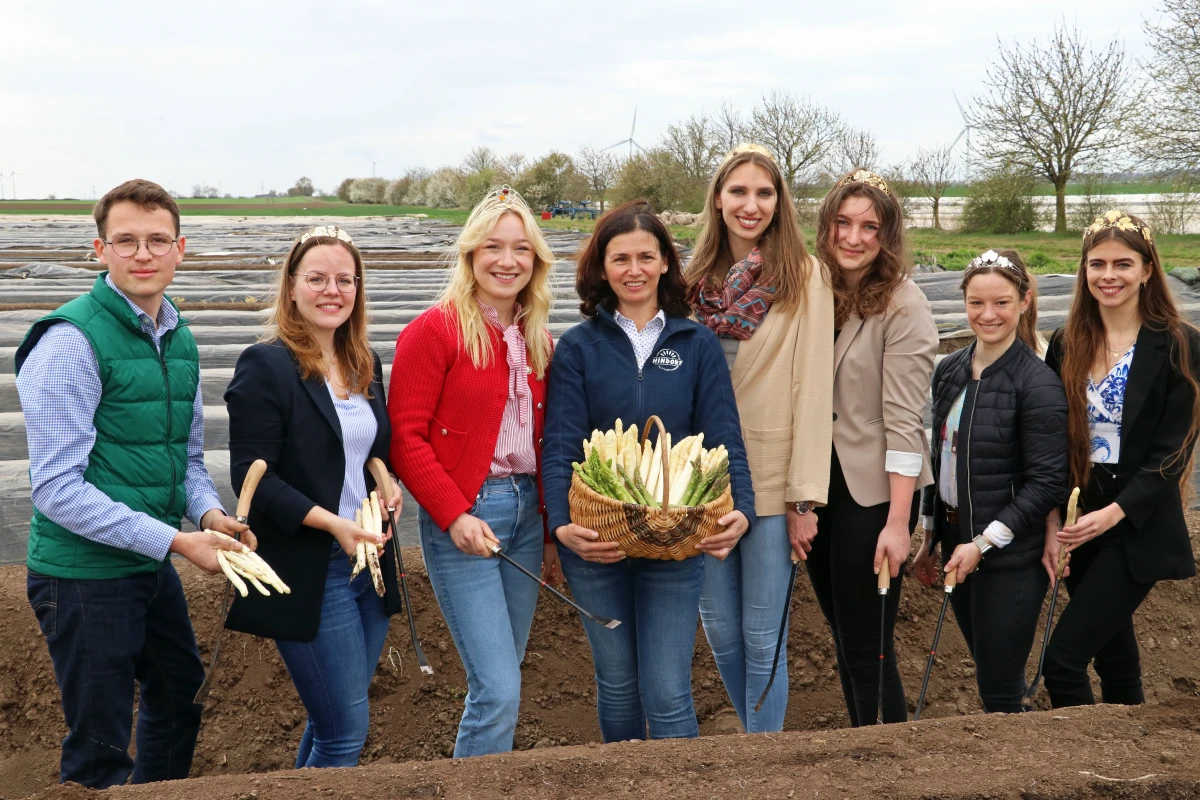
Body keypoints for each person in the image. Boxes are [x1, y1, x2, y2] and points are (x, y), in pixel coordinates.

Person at [14, 179, 252, 789]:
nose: (142, 254)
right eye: (126, 241)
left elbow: (187, 460)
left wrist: (207, 518)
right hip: (84, 575)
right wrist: (175, 543)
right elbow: (58, 488)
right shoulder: (71, 340)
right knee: (99, 744)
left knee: (179, 699)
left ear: (180, 249)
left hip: (145, 565)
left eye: (156, 240)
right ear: (100, 250)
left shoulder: (179, 336)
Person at [543, 199, 755, 742]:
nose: (633, 269)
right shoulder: (579, 347)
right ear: (601, 267)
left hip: (675, 535)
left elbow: (723, 435)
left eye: (645, 256)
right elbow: (562, 440)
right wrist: (560, 528)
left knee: (666, 689)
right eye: (620, 258)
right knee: (616, 683)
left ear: (665, 262)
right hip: (599, 539)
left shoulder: (696, 342)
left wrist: (743, 511)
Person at [224, 225, 405, 767]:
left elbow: (368, 450)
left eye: (344, 280)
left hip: (368, 561)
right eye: (318, 278)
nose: (333, 290)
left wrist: (385, 478)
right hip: (313, 565)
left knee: (331, 722)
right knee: (346, 730)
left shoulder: (362, 362)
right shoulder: (267, 364)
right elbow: (253, 477)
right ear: (293, 287)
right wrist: (332, 524)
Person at [388, 185, 559, 758]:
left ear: (536, 261)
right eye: (493, 246)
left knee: (503, 678)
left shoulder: (539, 342)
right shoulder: (433, 332)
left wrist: (552, 527)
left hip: (527, 517)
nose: (507, 261)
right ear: (469, 255)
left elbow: (547, 440)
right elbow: (405, 439)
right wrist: (453, 513)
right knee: (498, 686)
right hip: (467, 516)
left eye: (521, 249)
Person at [684, 143, 833, 732]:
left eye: (764, 193)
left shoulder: (803, 275)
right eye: (738, 192)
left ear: (780, 201)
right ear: (718, 201)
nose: (751, 205)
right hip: (704, 482)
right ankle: (752, 740)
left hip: (772, 481)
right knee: (719, 629)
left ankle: (763, 759)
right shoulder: (692, 281)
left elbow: (813, 389)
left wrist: (804, 500)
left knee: (761, 630)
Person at [1042, 211, 1200, 708]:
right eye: (1097, 264)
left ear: (1148, 270)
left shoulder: (1179, 344)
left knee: (1062, 662)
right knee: (1114, 657)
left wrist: (1114, 514)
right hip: (1079, 515)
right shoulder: (1067, 342)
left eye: (1123, 264)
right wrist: (1055, 518)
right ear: (1084, 271)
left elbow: (1173, 450)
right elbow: (1052, 439)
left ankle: (1084, 768)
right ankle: (1126, 765)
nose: (1108, 276)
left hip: (1135, 522)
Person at [912, 249, 1069, 714]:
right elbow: (938, 458)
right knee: (989, 669)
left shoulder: (1037, 383)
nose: (988, 315)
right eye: (976, 303)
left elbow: (1046, 483)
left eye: (1001, 302)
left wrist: (982, 543)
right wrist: (929, 535)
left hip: (1008, 558)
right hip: (957, 543)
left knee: (999, 688)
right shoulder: (950, 370)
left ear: (1023, 301)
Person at [809, 169, 937, 726]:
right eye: (844, 223)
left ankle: (883, 753)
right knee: (845, 631)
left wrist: (898, 520)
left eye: (869, 227)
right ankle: (867, 748)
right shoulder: (818, 293)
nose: (854, 238)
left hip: (873, 494)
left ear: (888, 236)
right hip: (818, 488)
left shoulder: (903, 304)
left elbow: (906, 420)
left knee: (869, 641)